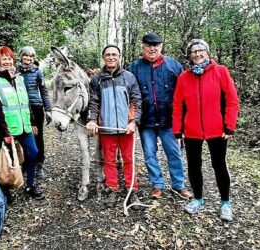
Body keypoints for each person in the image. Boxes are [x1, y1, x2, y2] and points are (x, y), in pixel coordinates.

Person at [172, 39, 239, 221]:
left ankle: (225, 203)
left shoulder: (221, 72)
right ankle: (198, 199)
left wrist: (230, 126)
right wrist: (177, 131)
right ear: (189, 55)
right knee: (194, 166)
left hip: (217, 129)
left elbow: (232, 101)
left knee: (219, 165)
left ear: (208, 53)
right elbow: (177, 105)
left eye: (201, 50)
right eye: (193, 51)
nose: (197, 54)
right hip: (191, 130)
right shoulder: (184, 77)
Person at [128, 33, 191, 200]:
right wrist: (132, 119)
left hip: (169, 119)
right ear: (143, 47)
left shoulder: (173, 65)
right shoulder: (134, 67)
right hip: (146, 120)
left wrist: (184, 119)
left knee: (174, 152)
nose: (152, 48)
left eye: (156, 45)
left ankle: (179, 185)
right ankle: (157, 185)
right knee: (149, 153)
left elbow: (184, 92)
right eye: (148, 45)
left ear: (161, 47)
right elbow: (129, 95)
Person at [86, 44, 142, 209]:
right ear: (103, 57)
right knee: (109, 161)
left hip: (126, 129)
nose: (111, 57)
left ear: (119, 57)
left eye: (114, 54)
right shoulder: (97, 80)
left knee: (129, 160)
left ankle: (132, 190)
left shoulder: (129, 77)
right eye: (108, 55)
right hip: (107, 129)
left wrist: (133, 122)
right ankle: (113, 189)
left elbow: (136, 100)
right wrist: (92, 120)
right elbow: (94, 102)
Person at [0, 46, 44, 201]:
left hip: (24, 125)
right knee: (9, 159)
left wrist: (32, 122)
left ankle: (30, 185)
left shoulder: (19, 78)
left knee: (33, 152)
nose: (7, 61)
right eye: (4, 58)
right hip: (8, 129)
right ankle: (5, 190)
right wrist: (5, 132)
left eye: (9, 58)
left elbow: (25, 102)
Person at [16, 46, 52, 179]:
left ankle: (39, 164)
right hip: (20, 108)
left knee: (38, 137)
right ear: (21, 56)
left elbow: (44, 91)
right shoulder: (15, 71)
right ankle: (25, 164)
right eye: (26, 55)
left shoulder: (37, 72)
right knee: (23, 136)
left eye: (31, 56)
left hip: (36, 107)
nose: (28, 58)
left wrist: (48, 109)